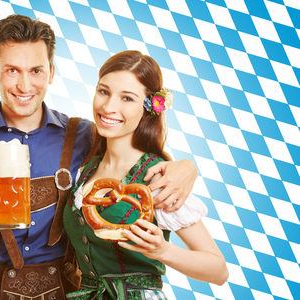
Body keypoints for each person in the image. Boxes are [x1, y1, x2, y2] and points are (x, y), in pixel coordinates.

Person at [0, 15, 199, 299]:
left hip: (73, 290)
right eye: (12, 71)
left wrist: (188, 167)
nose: (24, 84)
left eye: (36, 70)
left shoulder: (87, 136)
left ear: (51, 72)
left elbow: (134, 152)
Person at [63, 50, 229, 299]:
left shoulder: (158, 178)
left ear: (149, 107)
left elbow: (219, 271)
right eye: (104, 92)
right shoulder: (83, 169)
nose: (109, 107)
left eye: (127, 98)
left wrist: (163, 250)